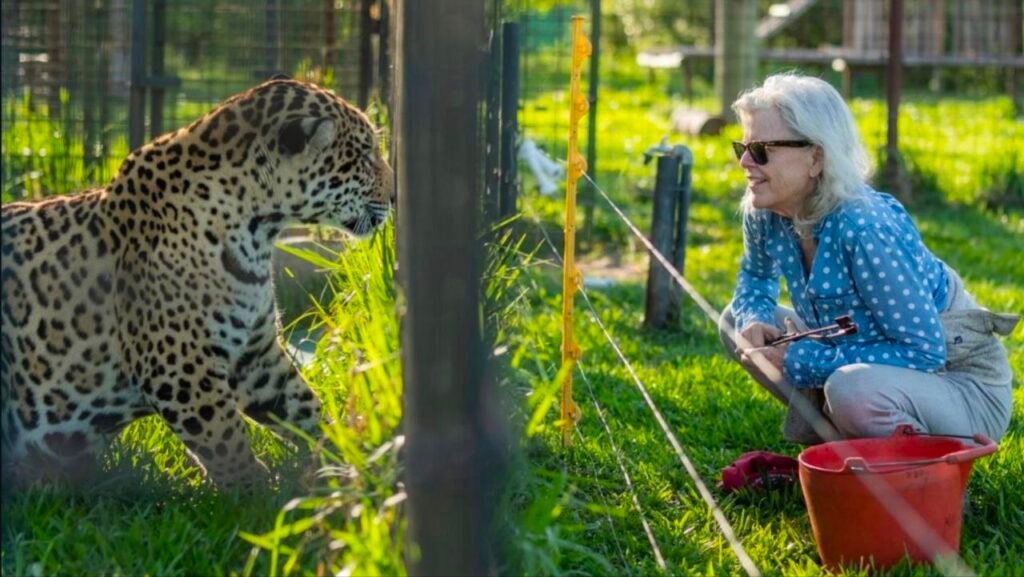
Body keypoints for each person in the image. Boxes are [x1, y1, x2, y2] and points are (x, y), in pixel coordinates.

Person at [718, 72, 1017, 445]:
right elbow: (755, 275)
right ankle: (846, 450)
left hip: (958, 383)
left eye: (761, 150)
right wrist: (756, 318)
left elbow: (922, 350)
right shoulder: (765, 209)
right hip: (875, 366)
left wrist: (800, 360)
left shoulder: (865, 229)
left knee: (851, 391)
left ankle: (923, 482)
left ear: (816, 157)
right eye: (740, 147)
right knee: (733, 321)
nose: (745, 162)